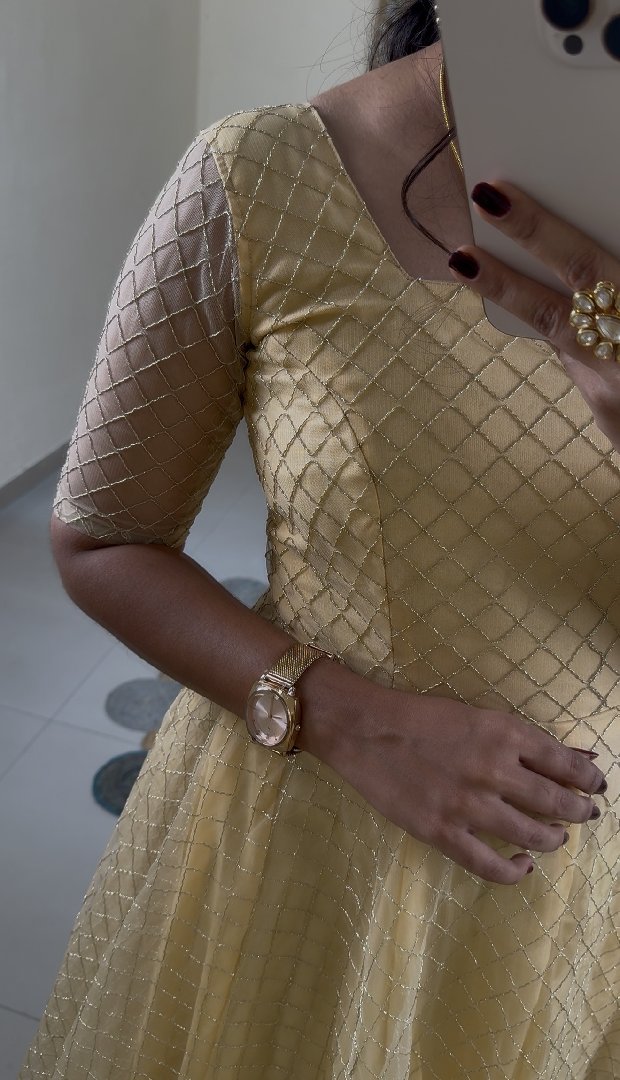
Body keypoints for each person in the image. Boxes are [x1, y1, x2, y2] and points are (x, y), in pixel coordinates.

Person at [20, 1, 619, 1077]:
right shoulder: (264, 177)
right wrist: (347, 719)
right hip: (318, 865)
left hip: (594, 909)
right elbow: (104, 541)